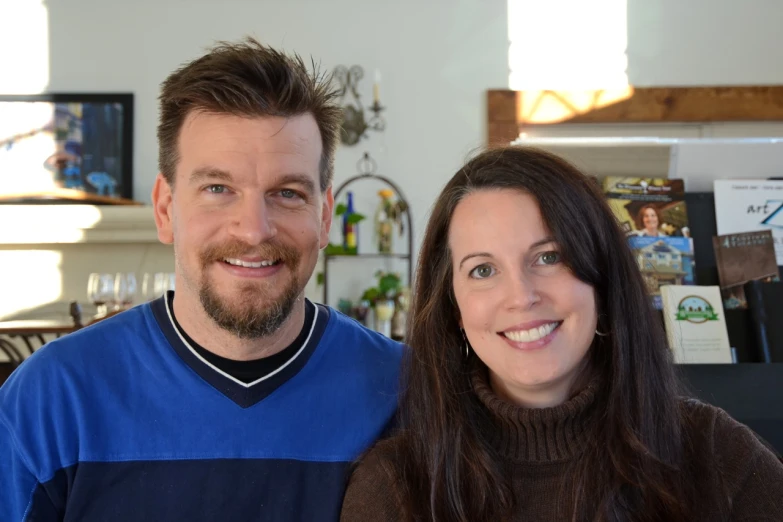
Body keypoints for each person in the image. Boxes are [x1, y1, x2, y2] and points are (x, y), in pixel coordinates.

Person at [0, 38, 403, 522]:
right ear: (166, 208)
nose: (254, 229)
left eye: (288, 192)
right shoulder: (52, 397)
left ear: (324, 217)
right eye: (217, 188)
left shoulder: (407, 393)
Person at [340, 146, 783, 522]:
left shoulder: (717, 455)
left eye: (549, 257)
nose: (521, 296)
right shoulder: (394, 487)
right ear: (454, 307)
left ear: (602, 277)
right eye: (482, 269)